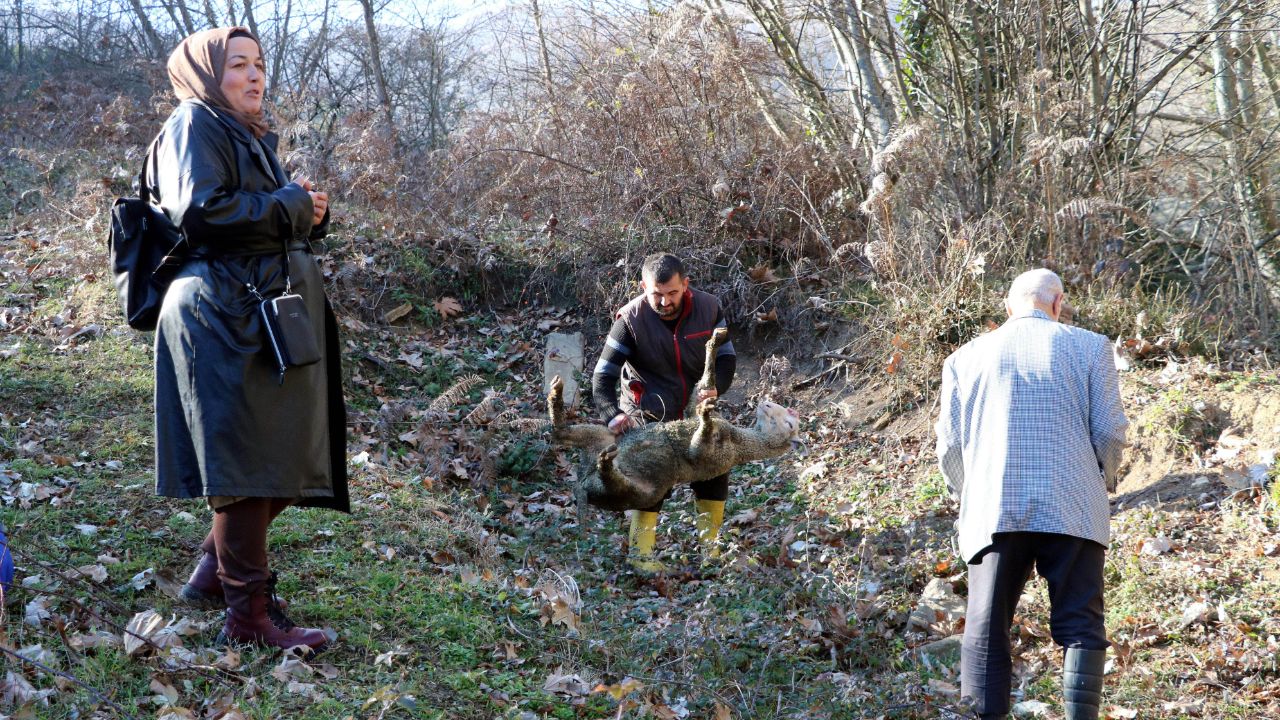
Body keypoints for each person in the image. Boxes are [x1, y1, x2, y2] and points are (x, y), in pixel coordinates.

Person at [150, 27, 348, 655]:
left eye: (259, 64)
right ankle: (247, 617)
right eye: (238, 65)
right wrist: (288, 204)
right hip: (221, 316)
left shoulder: (246, 133)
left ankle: (215, 573)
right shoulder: (194, 123)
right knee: (245, 467)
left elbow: (266, 214)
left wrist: (307, 211)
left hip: (261, 314)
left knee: (285, 456)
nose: (255, 75)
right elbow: (201, 212)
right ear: (207, 74)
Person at [935, 269, 1128, 719]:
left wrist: (969, 493)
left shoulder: (964, 358)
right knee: (1081, 624)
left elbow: (949, 447)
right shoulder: (1091, 347)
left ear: (1008, 308)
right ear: (1057, 303)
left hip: (994, 507)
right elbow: (1111, 432)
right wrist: (1103, 478)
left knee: (986, 627)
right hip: (1073, 503)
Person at [591, 253, 736, 572]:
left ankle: (711, 552)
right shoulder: (629, 320)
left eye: (672, 293)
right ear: (643, 287)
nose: (665, 301)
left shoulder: (710, 309)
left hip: (696, 414)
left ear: (686, 284)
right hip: (648, 415)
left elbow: (726, 359)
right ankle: (642, 557)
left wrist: (717, 387)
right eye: (656, 294)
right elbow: (602, 376)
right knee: (651, 477)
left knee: (714, 468)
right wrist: (611, 414)